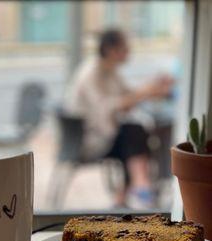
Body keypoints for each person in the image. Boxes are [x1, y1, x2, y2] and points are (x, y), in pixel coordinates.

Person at [65, 28, 173, 208]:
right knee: (133, 131)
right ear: (110, 49)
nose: (129, 52)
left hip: (109, 135)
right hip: (89, 140)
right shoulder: (92, 73)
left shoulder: (111, 71)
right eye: (125, 47)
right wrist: (146, 92)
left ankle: (126, 195)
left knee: (135, 132)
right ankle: (141, 186)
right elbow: (110, 107)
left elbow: (129, 95)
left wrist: (152, 89)